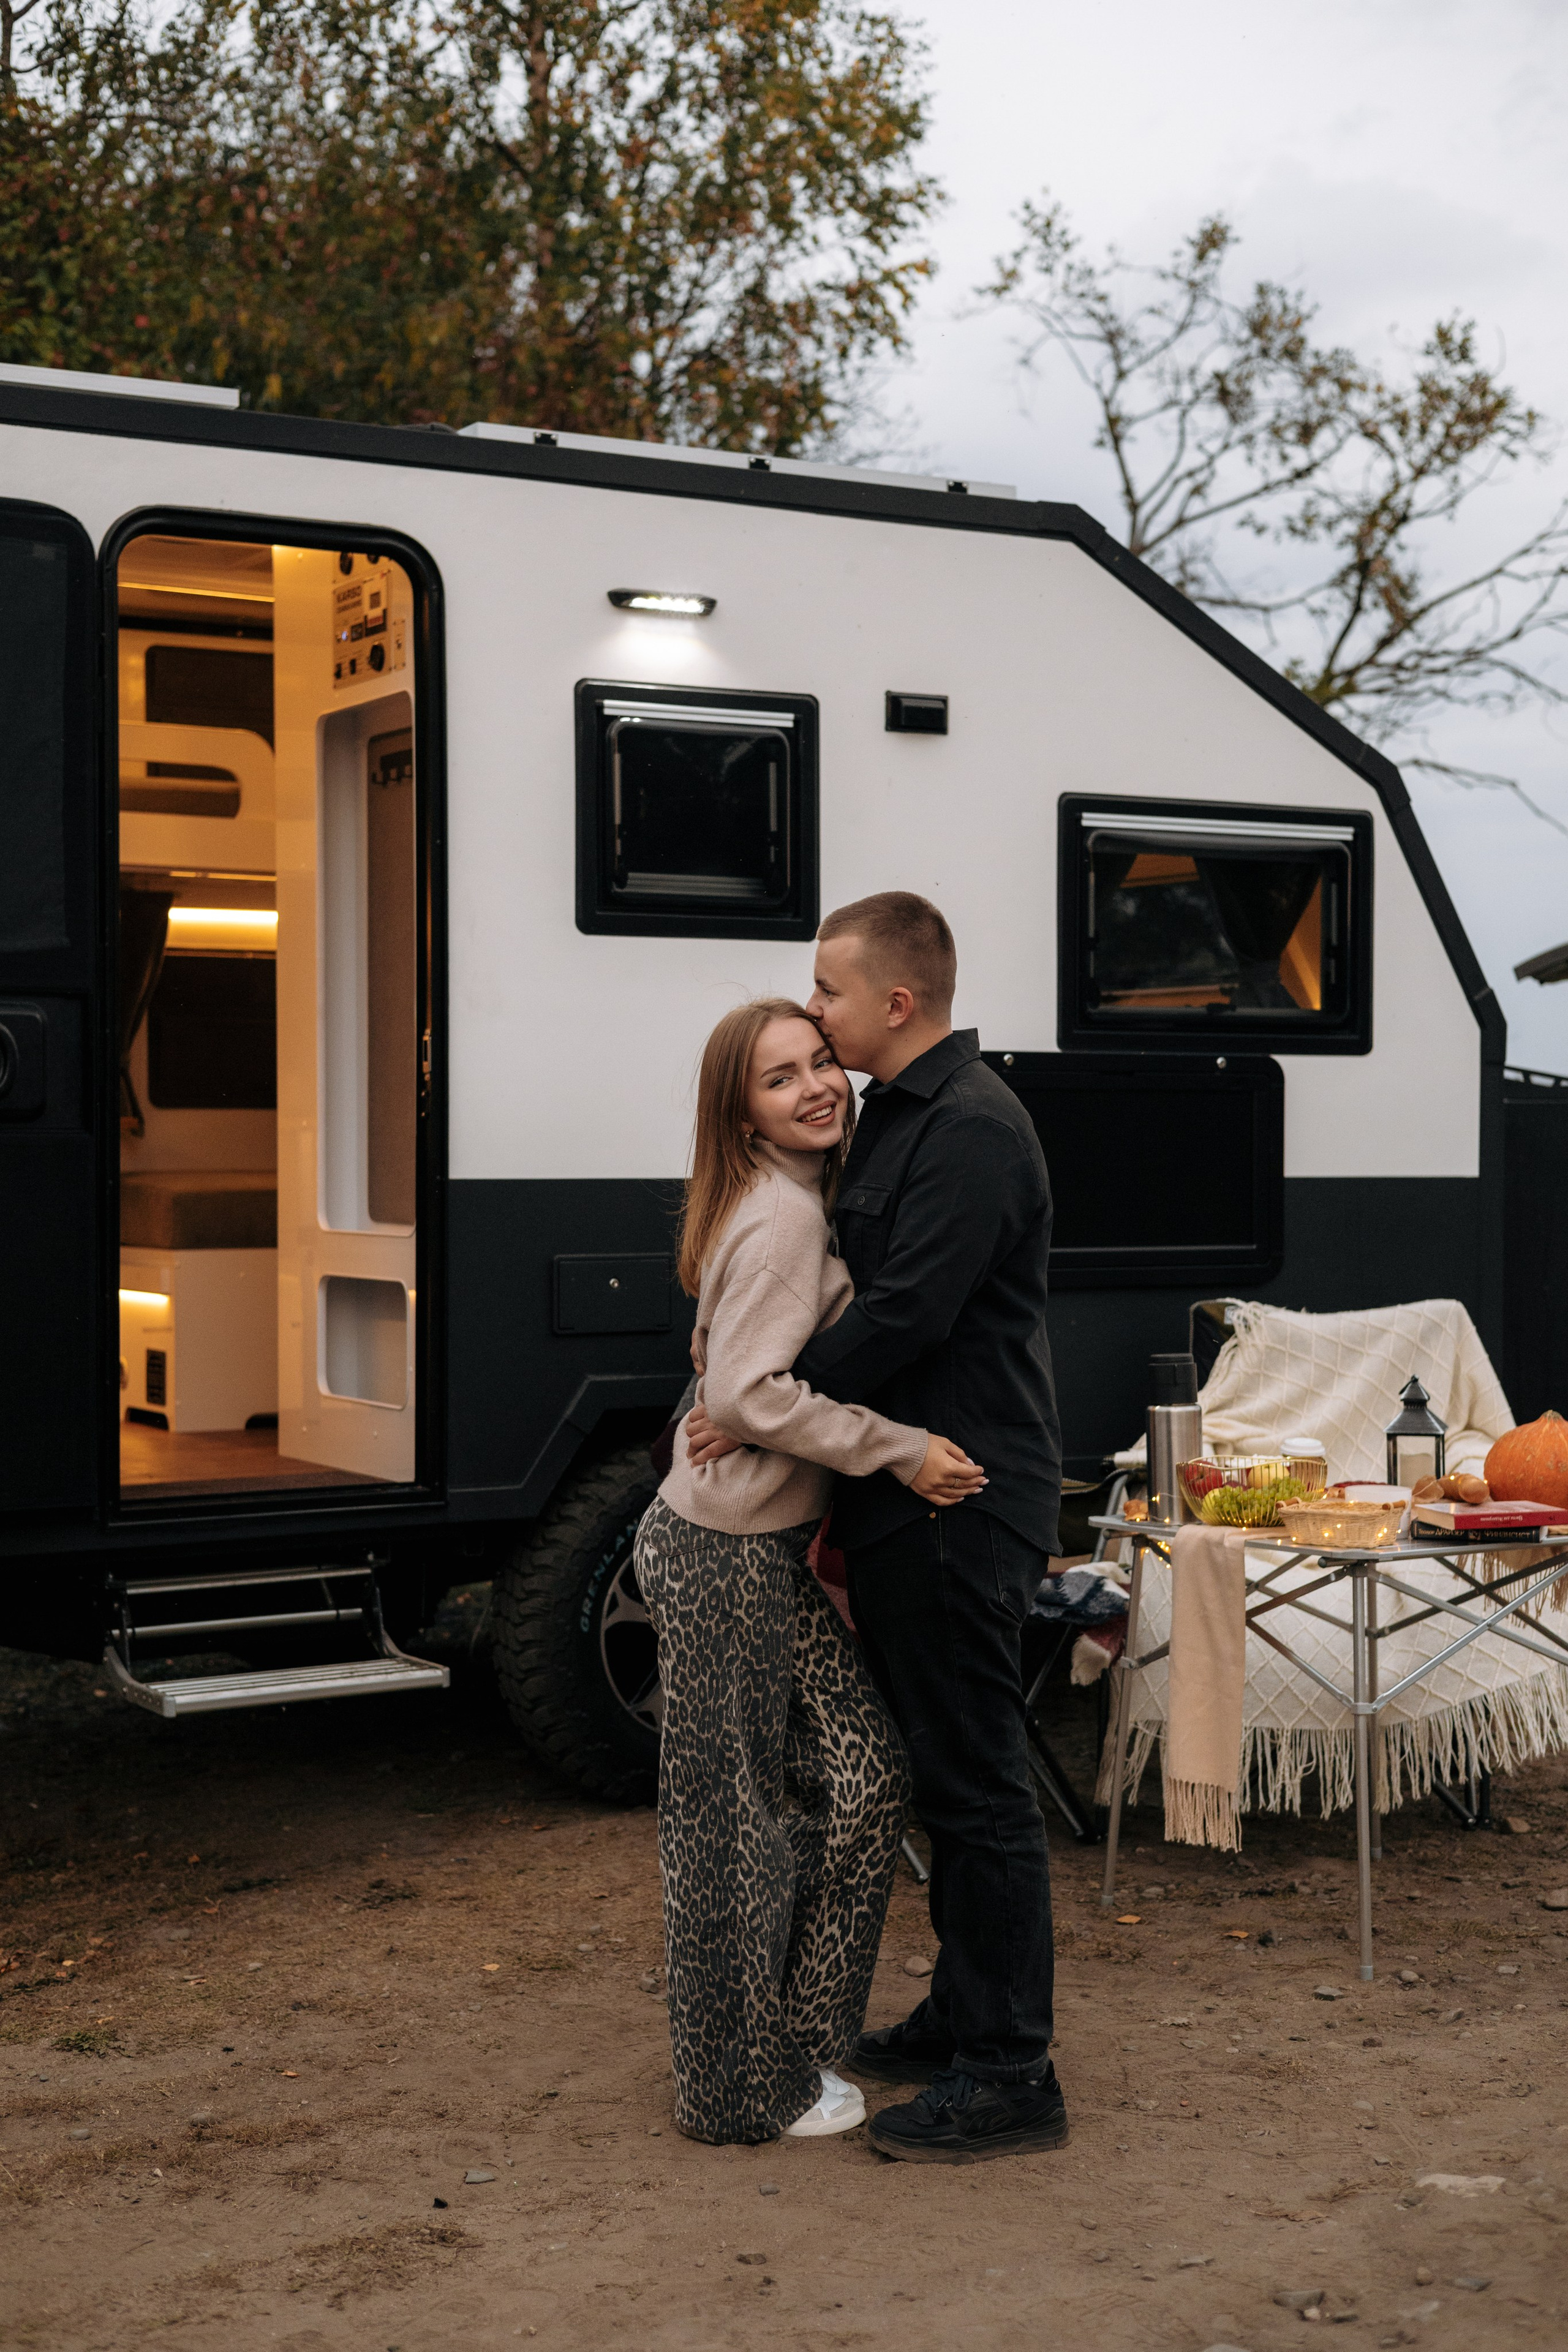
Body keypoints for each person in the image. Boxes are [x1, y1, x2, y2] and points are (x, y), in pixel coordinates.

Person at [687, 894, 1066, 2163]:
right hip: (905, 1498)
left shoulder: (968, 1129)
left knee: (975, 1785)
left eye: (829, 999)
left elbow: (899, 1316)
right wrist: (754, 1392)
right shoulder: (897, 1116)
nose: (817, 1015)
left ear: (892, 1004)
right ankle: (965, 2014)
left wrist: (756, 1411)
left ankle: (1012, 2073)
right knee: (944, 1774)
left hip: (959, 1494)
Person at [635, 995, 985, 2147]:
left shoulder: (790, 1203)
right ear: (741, 1113)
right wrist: (898, 1449)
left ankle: (793, 2043)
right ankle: (739, 2095)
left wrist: (739, 1402)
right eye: (780, 1077)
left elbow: (725, 1366)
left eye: (822, 1059)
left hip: (743, 1545)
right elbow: (742, 1387)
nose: (818, 1084)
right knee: (729, 1824)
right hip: (720, 1552)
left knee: (862, 1778)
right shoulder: (784, 1217)